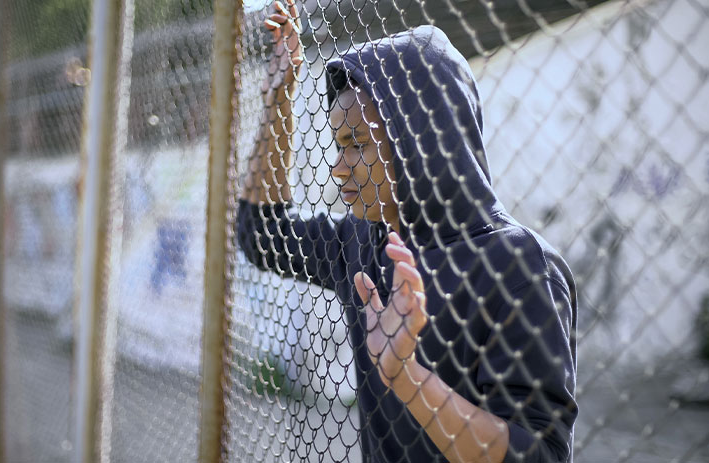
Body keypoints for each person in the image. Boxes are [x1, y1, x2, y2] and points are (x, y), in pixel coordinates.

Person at [237, 1, 578, 462]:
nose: (337, 169)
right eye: (336, 146)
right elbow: (262, 234)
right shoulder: (363, 242)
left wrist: (406, 375)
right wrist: (279, 98)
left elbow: (540, 455)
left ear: (417, 134)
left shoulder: (518, 265)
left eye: (355, 144)